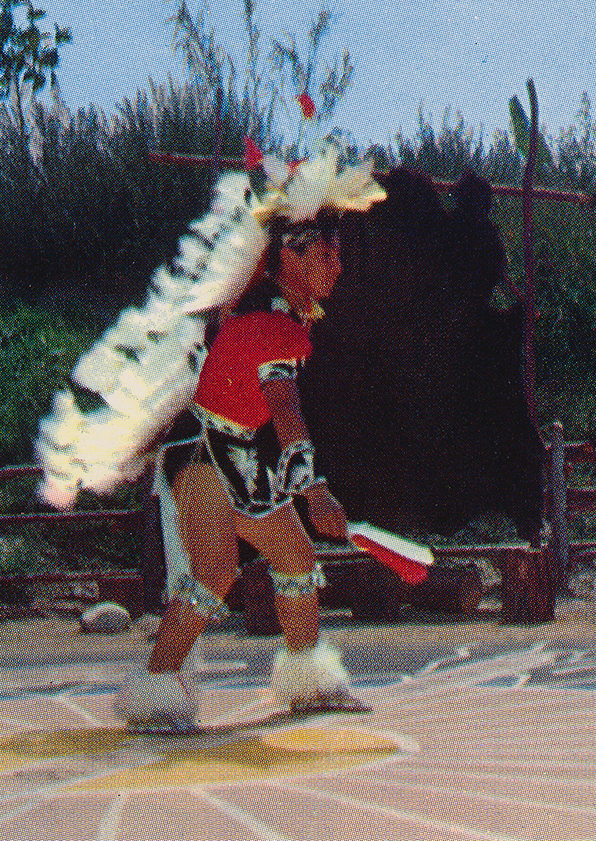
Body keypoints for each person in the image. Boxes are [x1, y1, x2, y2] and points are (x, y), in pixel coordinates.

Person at [35, 139, 385, 731]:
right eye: (323, 253)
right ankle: (155, 691)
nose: (336, 265)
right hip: (201, 453)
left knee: (295, 559)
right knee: (215, 573)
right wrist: (313, 489)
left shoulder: (274, 319)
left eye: (336, 253)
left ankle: (307, 685)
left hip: (229, 452)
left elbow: (269, 416)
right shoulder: (273, 327)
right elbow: (286, 412)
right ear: (288, 260)